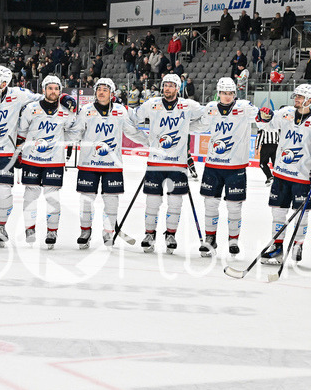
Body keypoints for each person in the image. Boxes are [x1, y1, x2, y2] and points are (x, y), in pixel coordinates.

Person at [0, 65, 46, 247]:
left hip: (5, 152)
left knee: (4, 191)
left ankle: (1, 226)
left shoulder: (18, 94)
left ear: (4, 83)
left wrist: (65, 98)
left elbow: (43, 98)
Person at [70, 77, 146, 247]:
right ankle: (85, 231)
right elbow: (75, 133)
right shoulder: (86, 110)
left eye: (105, 89)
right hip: (88, 164)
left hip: (112, 165)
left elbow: (132, 132)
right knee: (86, 200)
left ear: (112, 93)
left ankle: (108, 231)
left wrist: (150, 142)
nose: (101, 92)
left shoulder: (120, 111)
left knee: (112, 201)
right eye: (99, 89)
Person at [134, 73, 205, 254]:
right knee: (152, 201)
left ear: (177, 88)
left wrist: (188, 128)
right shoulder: (152, 104)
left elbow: (206, 118)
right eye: (165, 85)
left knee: (175, 202)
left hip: (177, 164)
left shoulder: (188, 105)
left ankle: (170, 235)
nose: (167, 88)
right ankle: (149, 235)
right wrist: (145, 140)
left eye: (171, 85)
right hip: (155, 162)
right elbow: (134, 118)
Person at [255, 84, 311, 264]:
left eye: (300, 97)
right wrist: (263, 116)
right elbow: (265, 125)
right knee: (278, 212)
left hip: (303, 176)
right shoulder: (285, 113)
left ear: (310, 100)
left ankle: (298, 245)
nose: (296, 99)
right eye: (296, 96)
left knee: (302, 214)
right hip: (281, 173)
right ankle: (277, 247)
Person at [192, 77, 257, 257]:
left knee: (234, 206)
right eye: (224, 93)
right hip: (213, 165)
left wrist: (266, 115)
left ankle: (233, 240)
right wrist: (184, 128)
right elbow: (201, 125)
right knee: (210, 204)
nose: (227, 96)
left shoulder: (244, 107)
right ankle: (210, 239)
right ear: (218, 93)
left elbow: (262, 119)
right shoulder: (211, 108)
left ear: (235, 94)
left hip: (236, 166)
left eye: (230, 93)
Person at [16, 75, 78, 248]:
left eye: (56, 89)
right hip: (31, 159)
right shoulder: (31, 108)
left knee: (53, 197)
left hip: (54, 161)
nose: (53, 91)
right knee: (30, 195)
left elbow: (73, 131)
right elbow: (21, 132)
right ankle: (29, 229)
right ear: (43, 90)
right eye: (50, 88)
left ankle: (52, 231)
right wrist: (18, 153)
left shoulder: (66, 111)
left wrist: (64, 142)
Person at [255, 112, 278, 185]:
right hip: (276, 146)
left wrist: (257, 148)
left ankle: (269, 177)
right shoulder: (277, 124)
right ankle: (277, 179)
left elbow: (259, 136)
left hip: (266, 147)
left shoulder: (263, 124)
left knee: (262, 163)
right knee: (276, 164)